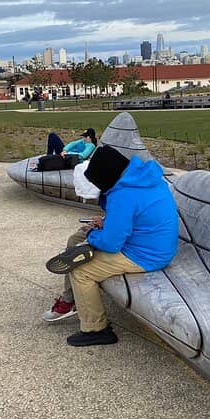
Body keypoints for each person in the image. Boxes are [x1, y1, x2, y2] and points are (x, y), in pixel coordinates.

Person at [43, 145, 178, 347]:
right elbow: (139, 216)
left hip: (145, 255)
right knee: (75, 241)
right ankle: (71, 300)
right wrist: (106, 223)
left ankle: (96, 329)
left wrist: (93, 234)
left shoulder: (123, 195)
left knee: (80, 270)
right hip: (153, 244)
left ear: (106, 178)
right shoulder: (142, 178)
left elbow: (111, 244)